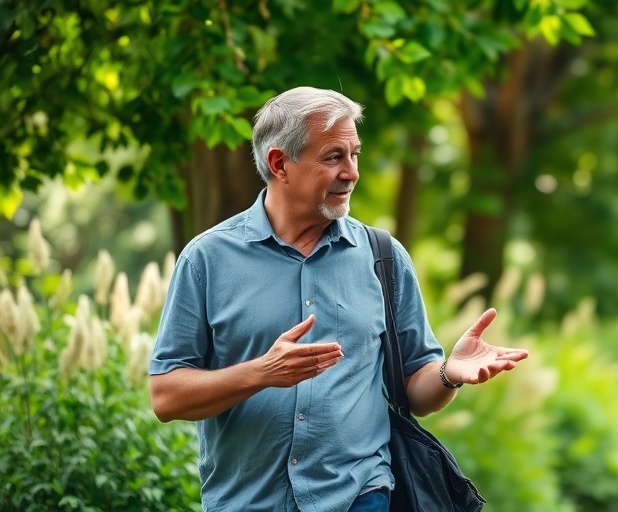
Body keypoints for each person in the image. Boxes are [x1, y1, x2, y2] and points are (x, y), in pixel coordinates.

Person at [149, 86, 529, 512]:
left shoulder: (383, 257)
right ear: (280, 164)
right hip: (246, 501)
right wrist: (261, 373)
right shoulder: (207, 260)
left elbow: (416, 393)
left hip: (359, 495)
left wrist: (448, 372)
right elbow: (166, 397)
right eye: (333, 157)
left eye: (355, 154)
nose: (352, 172)